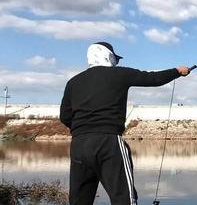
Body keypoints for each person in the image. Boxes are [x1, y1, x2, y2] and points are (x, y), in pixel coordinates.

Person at [60, 42, 190, 205]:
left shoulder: (73, 82)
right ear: (108, 56)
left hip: (79, 145)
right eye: (116, 59)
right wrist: (177, 71)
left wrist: (83, 130)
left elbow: (64, 115)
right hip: (108, 142)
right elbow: (153, 78)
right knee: (124, 199)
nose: (117, 63)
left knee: (80, 200)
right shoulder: (119, 74)